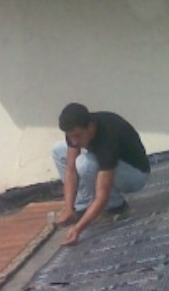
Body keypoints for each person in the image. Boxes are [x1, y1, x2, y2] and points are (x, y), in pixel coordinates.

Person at [52, 102, 150, 246]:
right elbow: (70, 170)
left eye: (78, 135)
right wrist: (68, 209)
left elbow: (102, 194)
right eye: (70, 136)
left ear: (91, 127)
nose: (74, 141)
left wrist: (78, 229)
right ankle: (82, 207)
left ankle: (117, 208)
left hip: (135, 175)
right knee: (58, 150)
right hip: (114, 165)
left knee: (86, 164)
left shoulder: (107, 137)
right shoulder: (76, 131)